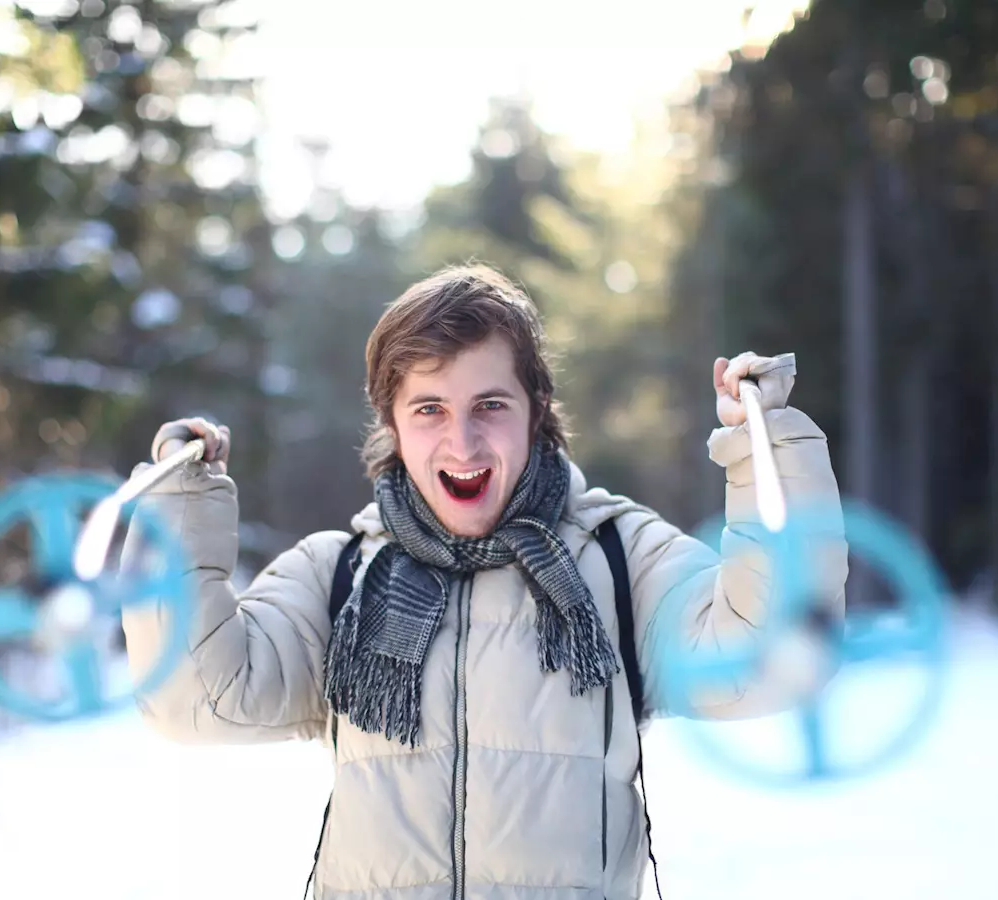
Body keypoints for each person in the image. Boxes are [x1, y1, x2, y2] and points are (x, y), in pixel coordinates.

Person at [120, 264, 848, 900]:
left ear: (536, 412)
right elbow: (194, 700)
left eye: (490, 406)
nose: (462, 443)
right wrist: (180, 505)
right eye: (429, 408)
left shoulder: (619, 559)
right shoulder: (338, 574)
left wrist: (766, 449)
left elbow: (772, 659)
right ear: (393, 424)